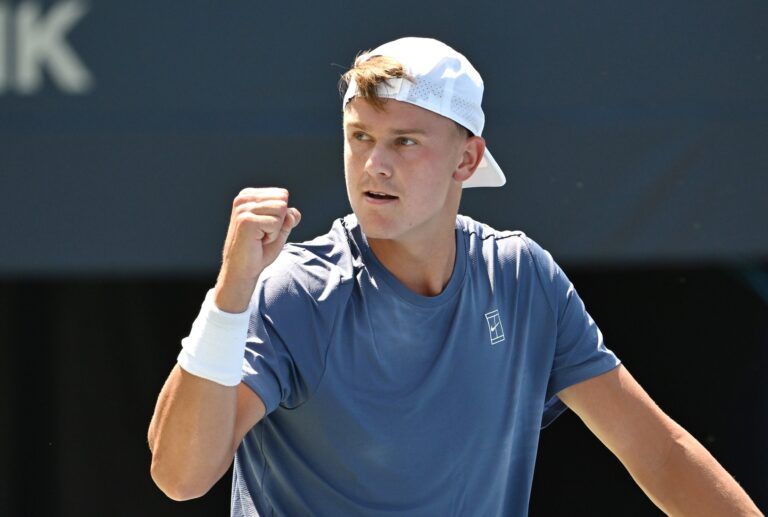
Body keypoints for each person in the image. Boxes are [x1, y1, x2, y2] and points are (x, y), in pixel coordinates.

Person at [147, 37, 762, 516]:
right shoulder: (296, 291)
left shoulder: (522, 278)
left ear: (467, 159)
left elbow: (659, 453)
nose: (373, 164)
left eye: (405, 141)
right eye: (359, 137)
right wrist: (230, 296)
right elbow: (180, 478)